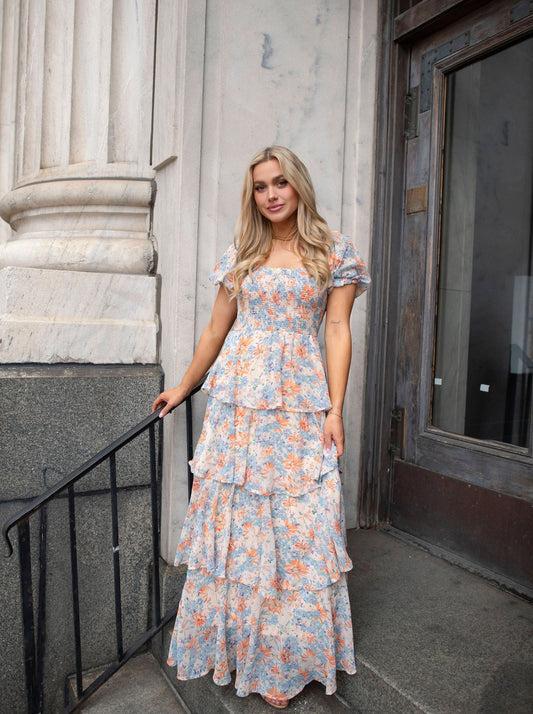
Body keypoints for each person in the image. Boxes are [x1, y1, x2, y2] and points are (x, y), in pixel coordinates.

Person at [152, 146, 370, 709]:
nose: (271, 194)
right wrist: (184, 386)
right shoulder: (243, 254)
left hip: (299, 402)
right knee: (244, 528)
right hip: (239, 404)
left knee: (298, 528)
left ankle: (287, 657)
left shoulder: (332, 250)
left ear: (298, 185)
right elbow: (215, 331)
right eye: (260, 187)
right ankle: (240, 643)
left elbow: (339, 329)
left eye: (280, 183)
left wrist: (336, 407)